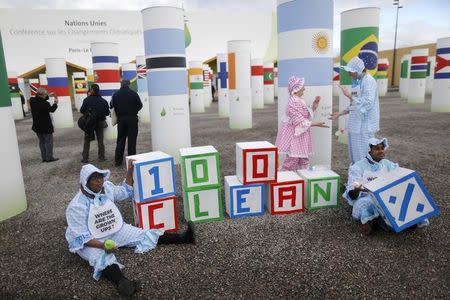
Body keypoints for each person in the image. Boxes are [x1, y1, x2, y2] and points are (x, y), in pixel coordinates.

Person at [65, 162, 196, 297]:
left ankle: (183, 238)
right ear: (84, 183)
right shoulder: (76, 206)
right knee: (98, 257)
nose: (99, 181)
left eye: (101, 177)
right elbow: (82, 237)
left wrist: (129, 172)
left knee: (144, 234)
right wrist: (102, 245)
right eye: (94, 179)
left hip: (114, 229)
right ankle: (122, 282)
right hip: (91, 239)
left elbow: (124, 192)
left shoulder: (106, 188)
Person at [343, 137, 429, 235]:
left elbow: (400, 177)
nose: (381, 151)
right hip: (367, 196)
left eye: (382, 148)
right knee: (365, 204)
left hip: (387, 195)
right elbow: (351, 193)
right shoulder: (357, 167)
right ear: (369, 151)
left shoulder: (388, 164)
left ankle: (409, 220)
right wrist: (357, 190)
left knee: (407, 197)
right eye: (377, 149)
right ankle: (370, 222)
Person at [329, 56, 380, 165]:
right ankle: (356, 177)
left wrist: (349, 96)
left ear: (357, 70)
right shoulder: (358, 81)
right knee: (355, 152)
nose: (349, 74)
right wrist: (339, 114)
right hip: (357, 125)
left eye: (350, 71)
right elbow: (355, 105)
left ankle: (364, 178)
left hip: (365, 126)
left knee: (363, 153)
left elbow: (367, 103)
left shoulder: (369, 81)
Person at [275, 76, 328, 171]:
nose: (304, 88)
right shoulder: (293, 101)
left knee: (303, 159)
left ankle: (302, 179)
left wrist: (314, 106)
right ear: (296, 89)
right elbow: (298, 120)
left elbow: (304, 116)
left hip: (301, 136)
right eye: (302, 86)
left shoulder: (298, 100)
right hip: (295, 136)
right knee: (292, 160)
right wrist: (315, 123)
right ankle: (287, 180)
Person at [110, 79, 143, 167]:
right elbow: (140, 105)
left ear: (121, 84)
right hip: (132, 119)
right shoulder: (134, 94)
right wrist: (134, 110)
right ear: (129, 84)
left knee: (120, 140)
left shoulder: (115, 94)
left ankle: (118, 161)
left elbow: (111, 105)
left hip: (121, 119)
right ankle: (131, 162)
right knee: (132, 141)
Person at [79, 84, 110, 163]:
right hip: (100, 122)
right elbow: (107, 113)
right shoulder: (103, 101)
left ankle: (85, 158)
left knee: (87, 140)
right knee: (100, 140)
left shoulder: (87, 100)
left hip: (89, 123)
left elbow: (82, 110)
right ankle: (101, 157)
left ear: (92, 90)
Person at [29, 87, 59, 162]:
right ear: (43, 95)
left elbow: (40, 98)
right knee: (48, 142)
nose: (46, 96)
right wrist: (55, 102)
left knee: (41, 142)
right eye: (45, 95)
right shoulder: (45, 103)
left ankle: (44, 158)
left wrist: (48, 94)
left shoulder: (32, 101)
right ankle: (49, 157)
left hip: (37, 126)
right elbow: (52, 109)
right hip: (46, 126)